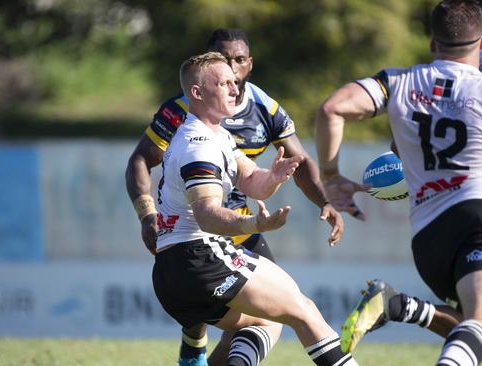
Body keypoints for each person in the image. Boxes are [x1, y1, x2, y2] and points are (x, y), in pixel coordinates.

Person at [315, 1, 482, 365]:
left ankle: (399, 304)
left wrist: (330, 176)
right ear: (480, 45)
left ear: (433, 44)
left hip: (428, 236)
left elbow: (333, 109)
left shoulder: (397, 82)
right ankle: (400, 306)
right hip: (481, 221)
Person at [126, 29, 343, 366]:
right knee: (304, 311)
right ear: (197, 92)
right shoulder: (198, 142)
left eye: (235, 74)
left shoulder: (223, 132)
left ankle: (198, 350)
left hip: (178, 268)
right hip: (201, 252)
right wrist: (255, 222)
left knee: (265, 322)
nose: (233, 85)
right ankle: (192, 346)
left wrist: (273, 177)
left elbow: (252, 181)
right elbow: (207, 213)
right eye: (223, 79)